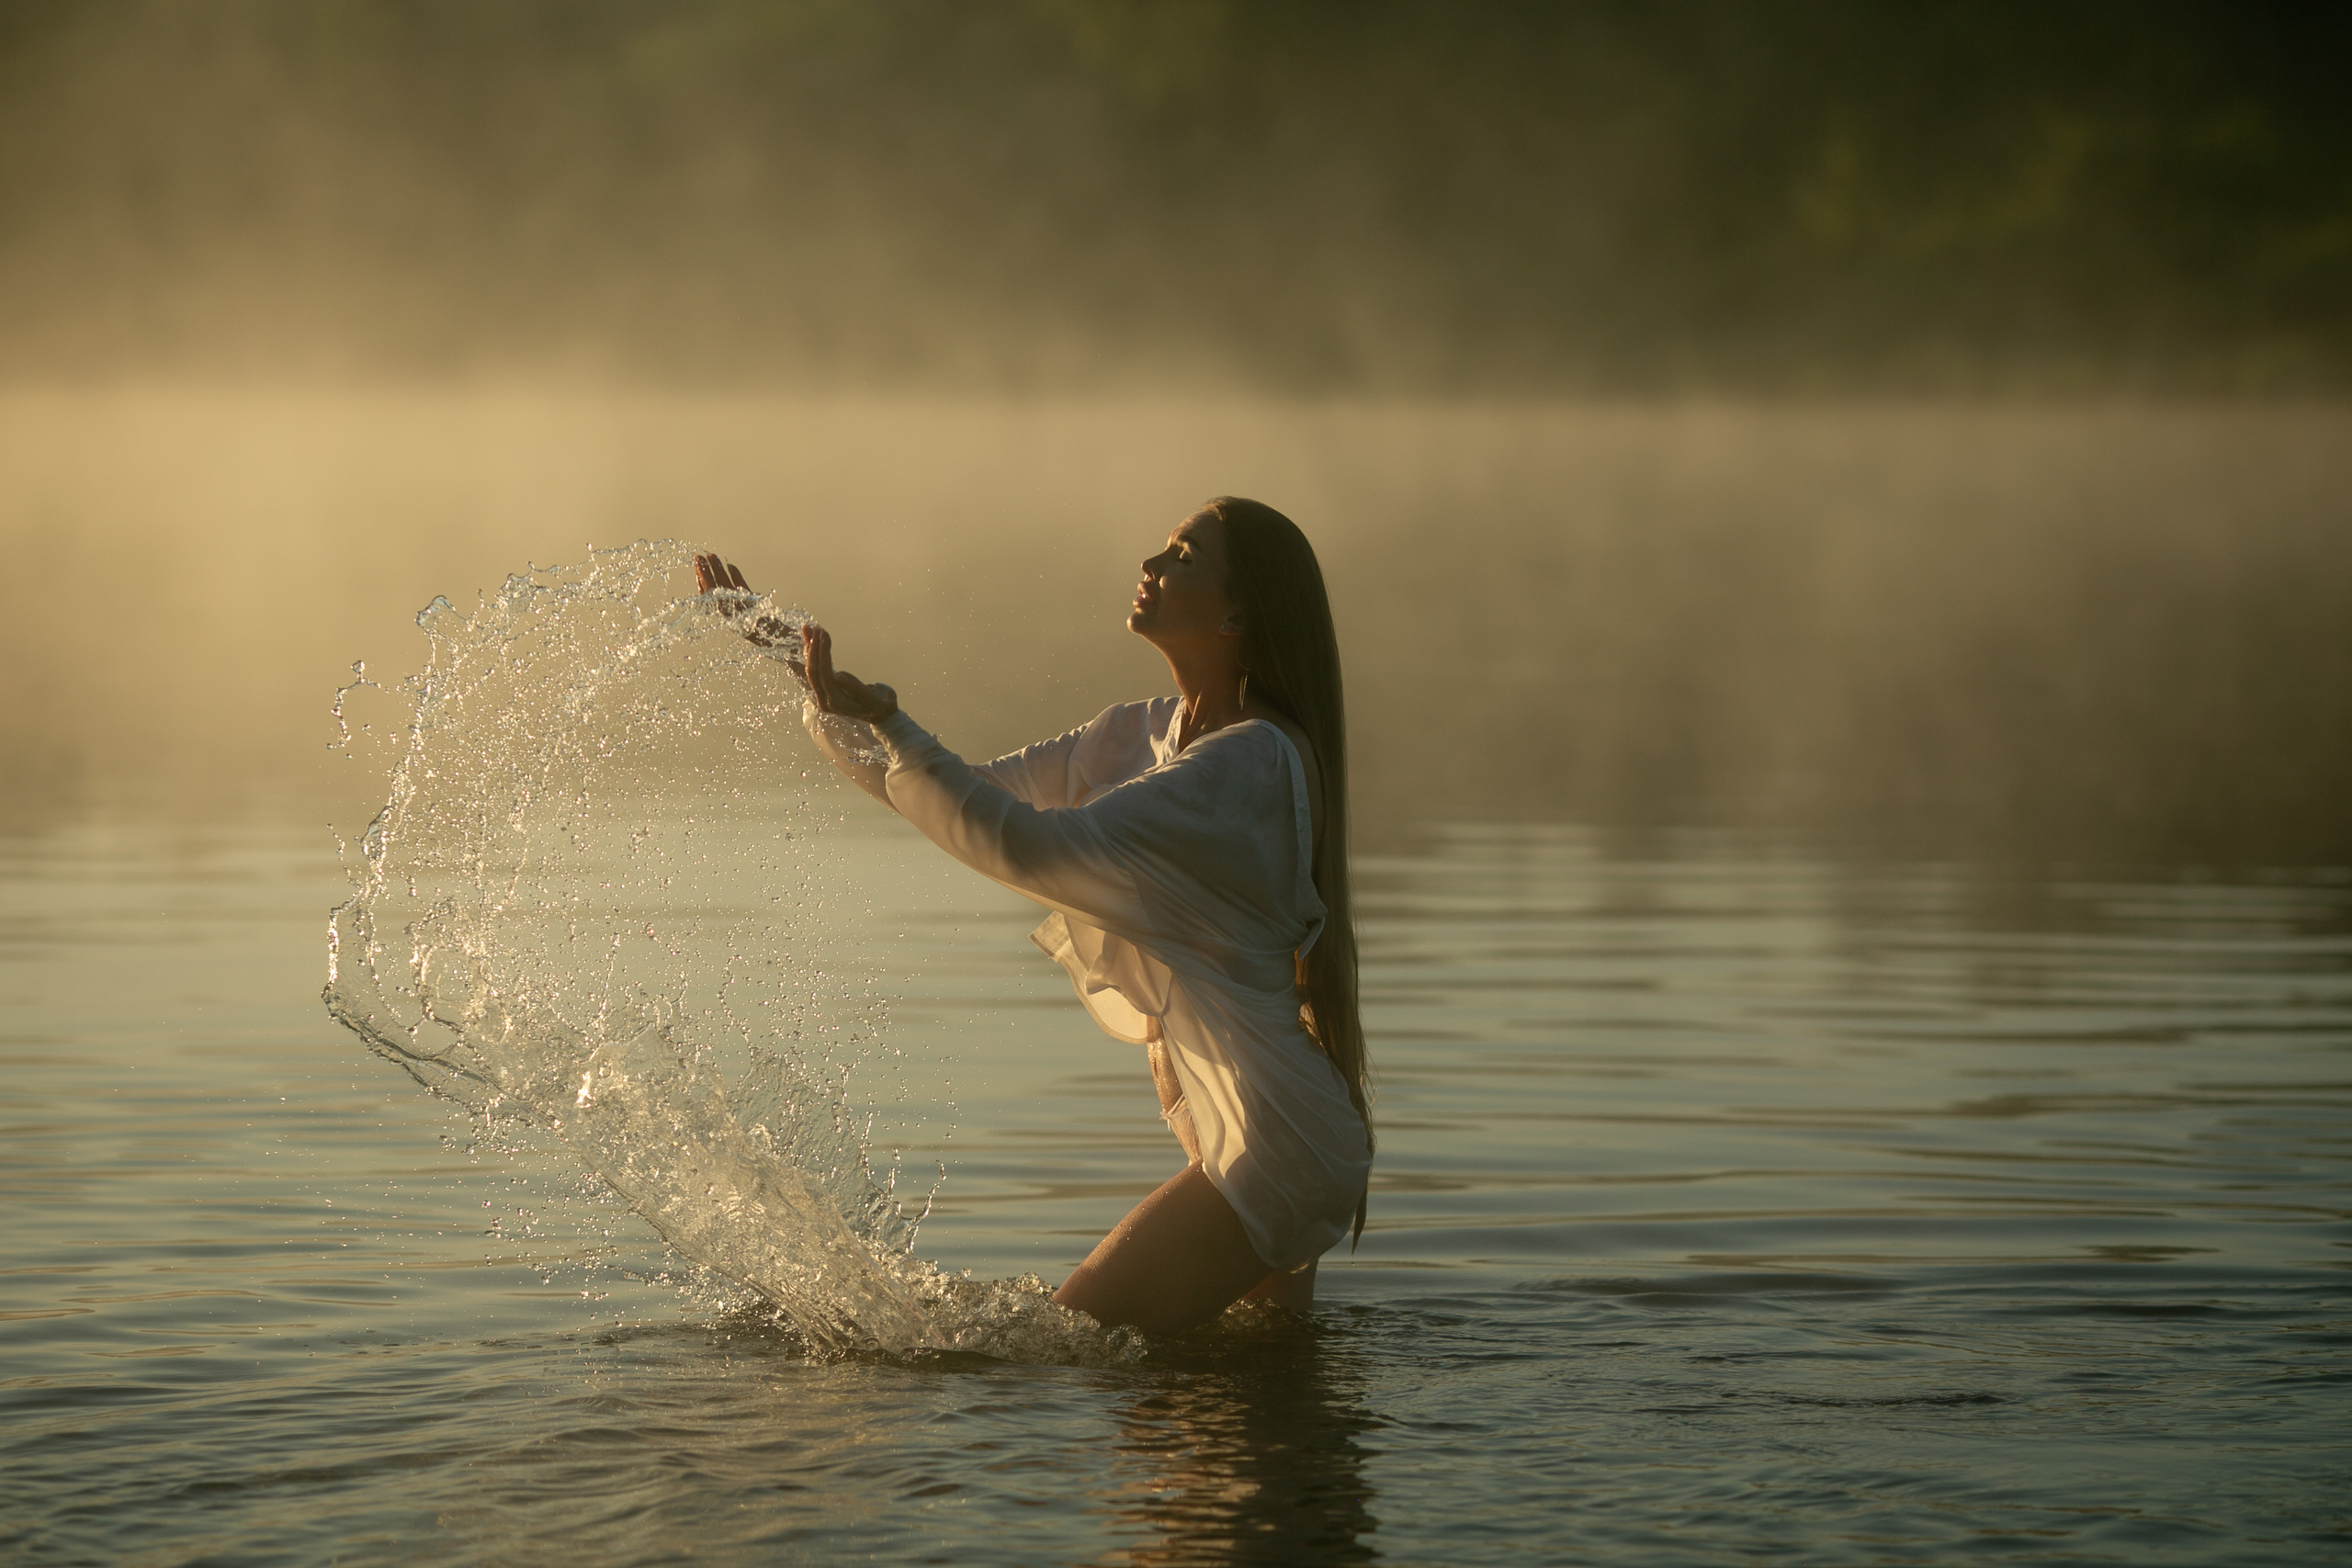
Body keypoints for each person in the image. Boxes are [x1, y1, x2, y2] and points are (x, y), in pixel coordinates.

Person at [693, 497, 1372, 1335]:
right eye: (1162, 548)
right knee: (1240, 1415)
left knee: (1067, 1353)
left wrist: (894, 722)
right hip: (1253, 1126)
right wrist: (824, 695)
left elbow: (1024, 844)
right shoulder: (1142, 733)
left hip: (1273, 1141)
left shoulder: (1249, 764)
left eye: (1184, 556)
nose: (1153, 565)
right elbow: (961, 793)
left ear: (1239, 612)